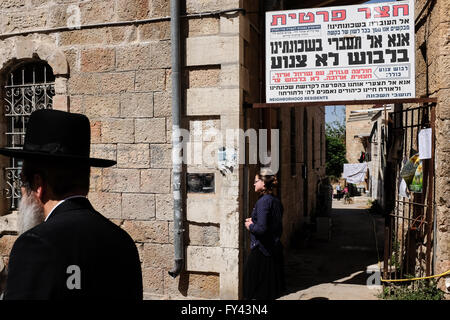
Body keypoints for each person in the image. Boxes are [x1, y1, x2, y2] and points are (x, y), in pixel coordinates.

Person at [0, 109, 143, 300]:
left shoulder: (35, 244)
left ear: (38, 184)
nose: (22, 195)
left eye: (23, 184)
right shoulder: (122, 241)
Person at [244, 168, 285, 300]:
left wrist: (250, 225)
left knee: (250, 287)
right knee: (267, 289)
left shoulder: (263, 202)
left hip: (262, 250)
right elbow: (271, 223)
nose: (254, 184)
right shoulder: (275, 200)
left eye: (256, 181)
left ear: (263, 182)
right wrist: (254, 220)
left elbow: (261, 229)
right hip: (273, 249)